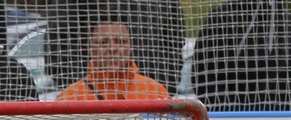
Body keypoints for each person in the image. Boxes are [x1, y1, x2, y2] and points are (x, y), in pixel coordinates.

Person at [43, 0, 185, 95]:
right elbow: (58, 42)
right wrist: (88, 91)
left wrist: (162, 87)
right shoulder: (75, 94)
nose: (113, 48)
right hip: (89, 102)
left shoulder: (157, 91)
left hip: (149, 98)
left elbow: (174, 41)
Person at [191, 0, 291, 111]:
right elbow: (201, 75)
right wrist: (231, 112)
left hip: (280, 116)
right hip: (227, 115)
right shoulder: (220, 19)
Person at [56, 15, 171, 101]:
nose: (112, 48)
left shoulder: (155, 91)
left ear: (131, 46)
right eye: (103, 42)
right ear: (89, 48)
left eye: (121, 41)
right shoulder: (71, 96)